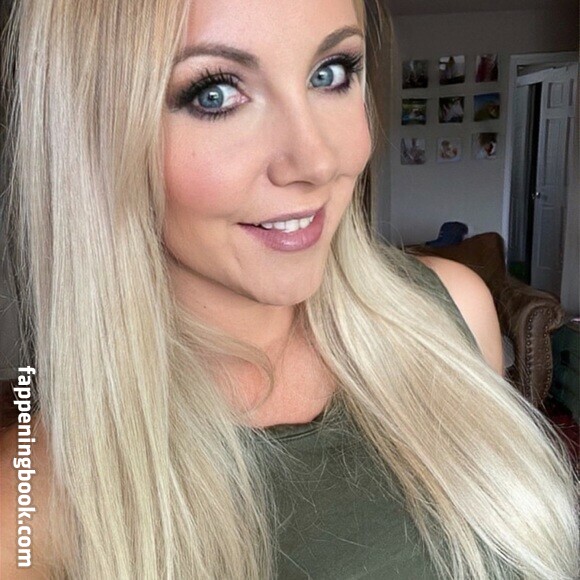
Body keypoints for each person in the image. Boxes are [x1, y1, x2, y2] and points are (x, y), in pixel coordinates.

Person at [0, 1, 578, 578]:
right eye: (214, 94)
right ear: (94, 138)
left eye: (331, 73)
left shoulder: (452, 310)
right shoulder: (33, 507)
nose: (317, 161)